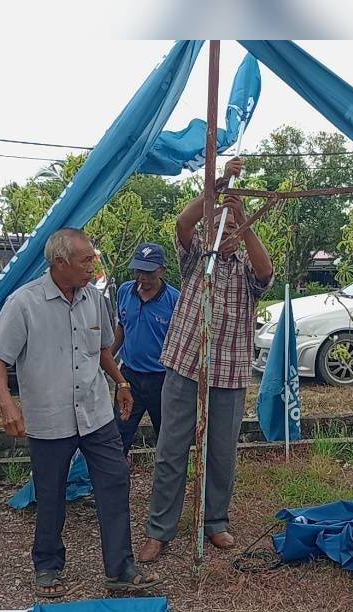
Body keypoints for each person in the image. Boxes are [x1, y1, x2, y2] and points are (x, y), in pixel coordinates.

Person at [0, 228, 160, 597]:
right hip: (50, 418)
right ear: (59, 262)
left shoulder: (93, 298)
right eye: (85, 260)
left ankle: (121, 572)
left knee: (114, 483)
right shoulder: (24, 302)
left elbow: (102, 349)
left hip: (96, 414)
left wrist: (122, 383)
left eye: (92, 258)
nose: (92, 265)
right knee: (50, 494)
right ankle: (47, 566)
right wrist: (8, 405)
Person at [137, 157, 274, 562]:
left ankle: (216, 522)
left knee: (221, 454)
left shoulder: (249, 267)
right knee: (170, 450)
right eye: (222, 227)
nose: (228, 233)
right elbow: (183, 222)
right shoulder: (198, 257)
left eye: (234, 229)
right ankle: (160, 530)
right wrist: (218, 188)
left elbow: (266, 271)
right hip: (185, 364)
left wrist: (242, 220)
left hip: (229, 373)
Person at [112, 242, 180, 454]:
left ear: (161, 270)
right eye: (139, 270)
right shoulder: (125, 291)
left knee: (167, 438)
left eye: (149, 272)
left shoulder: (174, 299)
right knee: (118, 435)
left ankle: (165, 485)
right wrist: (108, 357)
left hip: (161, 379)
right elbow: (122, 327)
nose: (143, 277)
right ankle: (115, 483)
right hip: (129, 378)